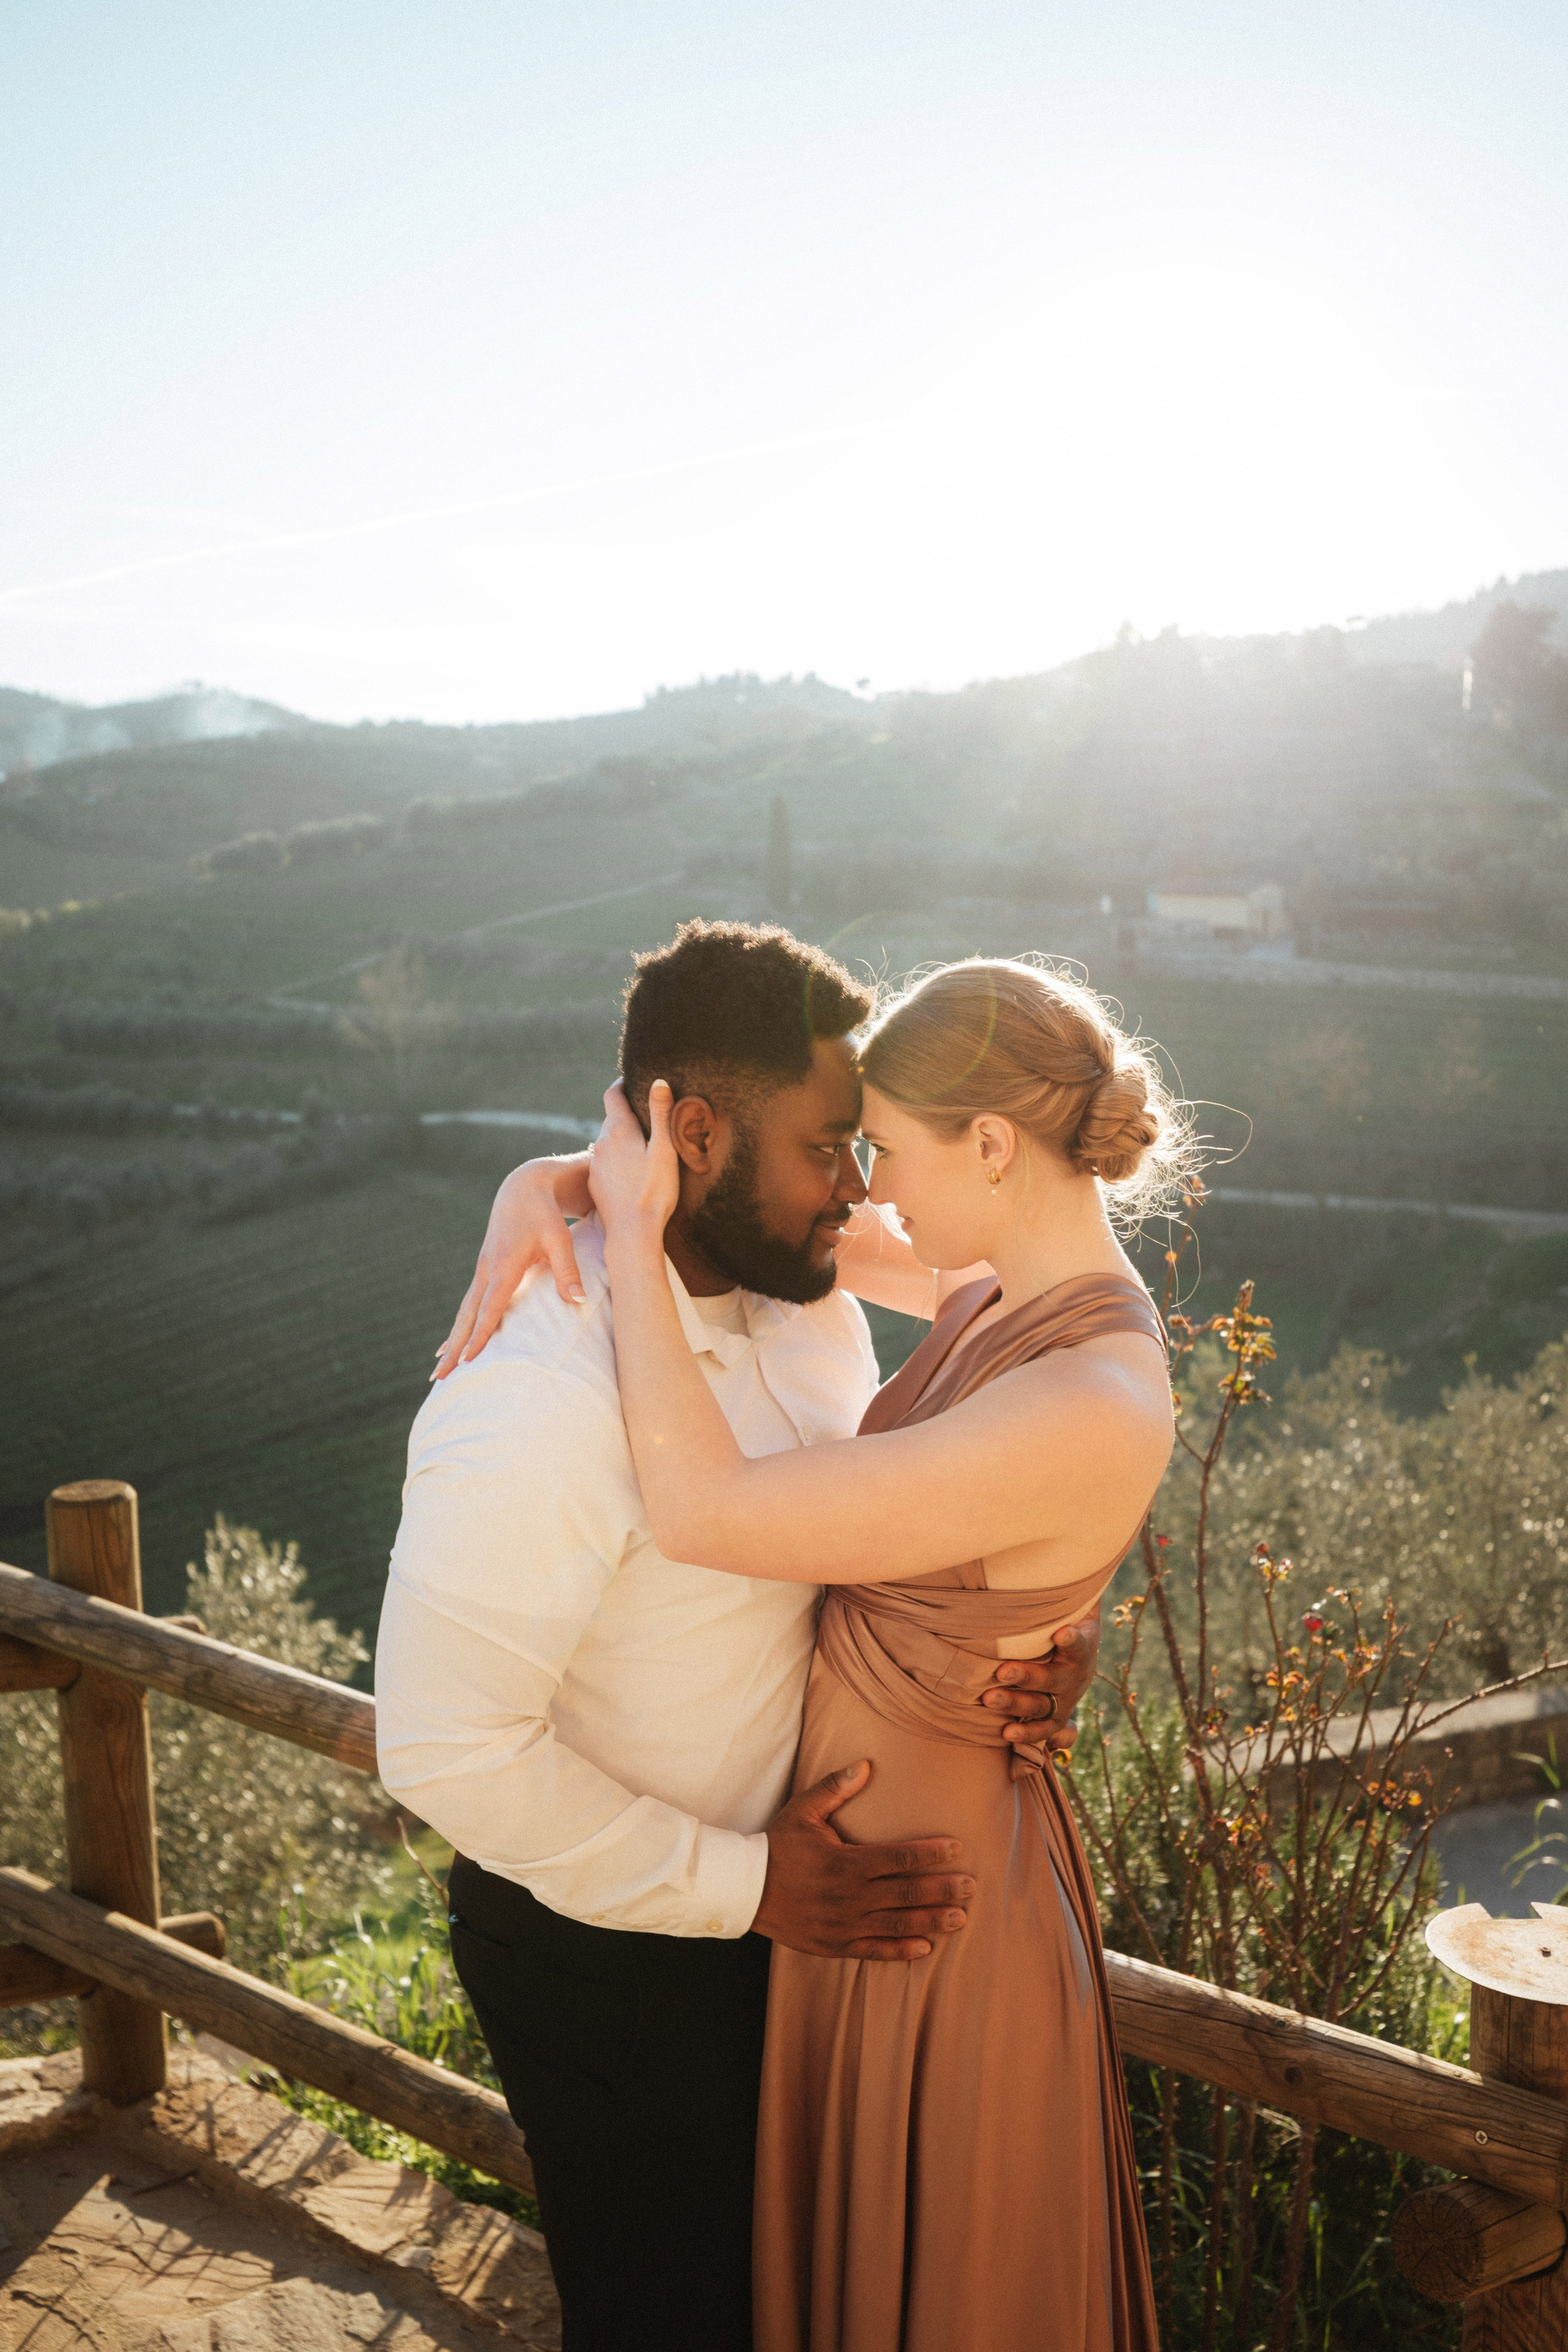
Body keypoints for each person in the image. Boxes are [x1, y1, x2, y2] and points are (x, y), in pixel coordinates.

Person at [375, 921, 1099, 2352]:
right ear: (695, 1137)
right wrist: (751, 1886)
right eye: (829, 1149)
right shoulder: (536, 1394)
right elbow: (444, 1753)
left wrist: (1021, 1627)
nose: (859, 1189)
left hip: (799, 1923)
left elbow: (972, 1369)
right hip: (614, 1956)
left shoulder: (802, 1289)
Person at [579, 954, 1180, 2352]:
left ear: (990, 1145)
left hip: (936, 1912)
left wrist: (625, 1263)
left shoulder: (1088, 1396)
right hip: (866, 1884)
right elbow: (741, 1204)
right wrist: (533, 1195)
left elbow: (705, 1512)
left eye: (888, 1150)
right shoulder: (989, 1290)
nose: (868, 1187)